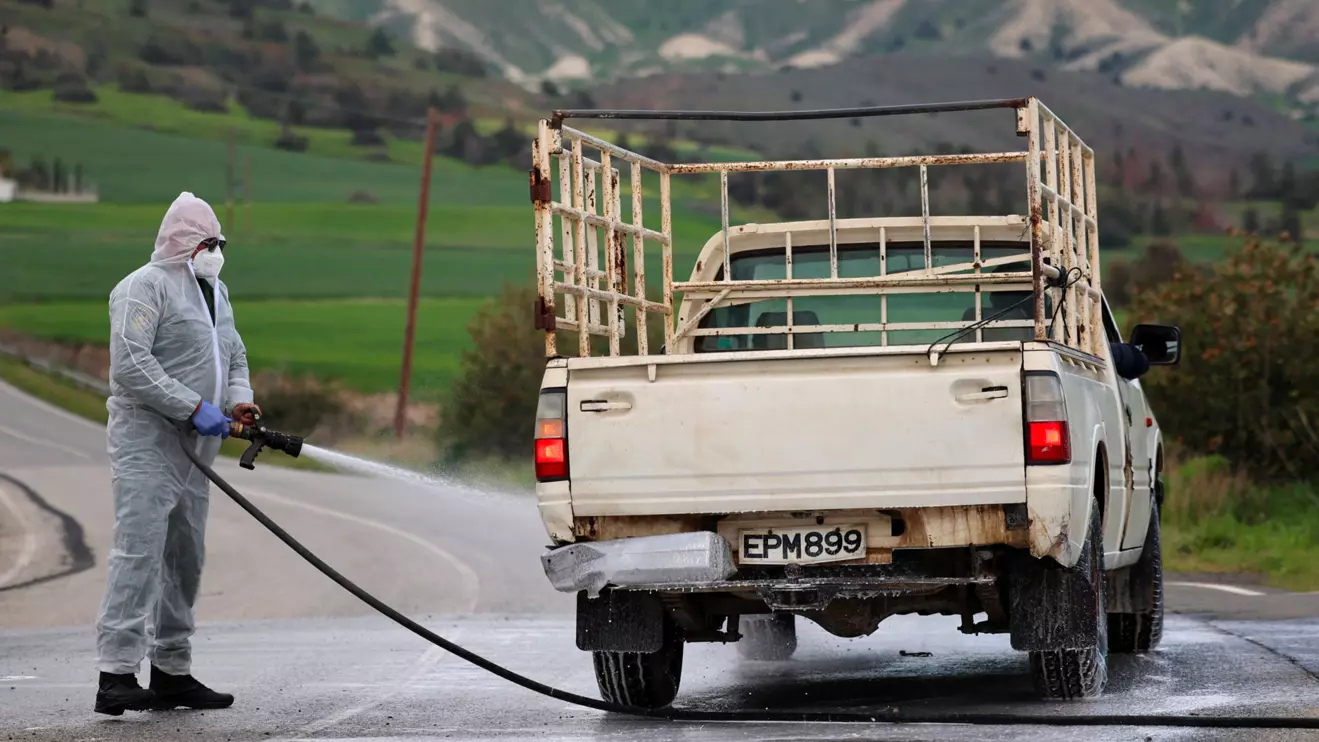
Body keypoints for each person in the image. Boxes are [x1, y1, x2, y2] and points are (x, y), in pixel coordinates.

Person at [94, 192, 259, 716]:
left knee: (185, 558)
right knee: (140, 550)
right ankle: (116, 674)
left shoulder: (216, 291)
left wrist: (239, 401)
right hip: (147, 439)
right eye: (208, 242)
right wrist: (191, 405)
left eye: (219, 243)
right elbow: (130, 365)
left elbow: (233, 353)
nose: (216, 251)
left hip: (198, 444)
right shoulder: (143, 288)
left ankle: (172, 672)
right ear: (184, 241)